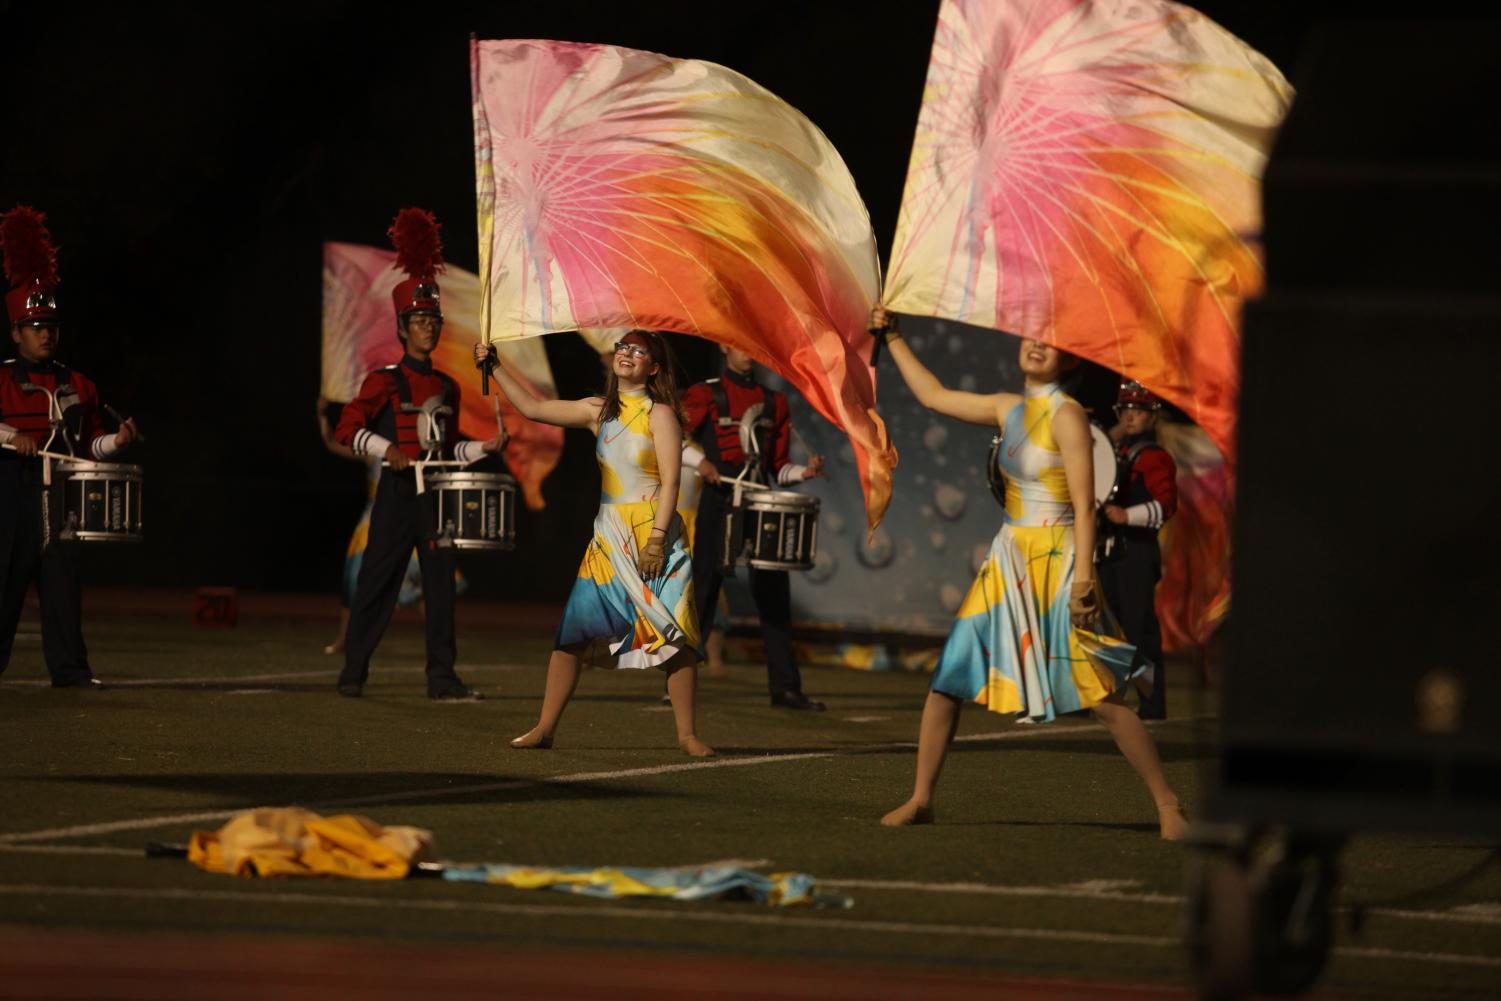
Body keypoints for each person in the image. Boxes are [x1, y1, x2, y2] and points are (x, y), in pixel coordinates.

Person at [870, 307, 1187, 839]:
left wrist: (1084, 578)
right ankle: (922, 799)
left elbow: (1085, 506)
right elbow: (933, 396)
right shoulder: (1007, 408)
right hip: (1008, 561)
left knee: (1102, 697)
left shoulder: (1068, 417)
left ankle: (1168, 803)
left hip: (1059, 562)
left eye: (1051, 343)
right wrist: (895, 337)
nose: (1036, 345)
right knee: (948, 680)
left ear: (1068, 361)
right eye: (1031, 337)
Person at [475, 329, 712, 756]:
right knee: (573, 633)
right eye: (623, 347)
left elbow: (673, 481)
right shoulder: (596, 411)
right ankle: (545, 729)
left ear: (653, 368)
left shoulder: (660, 414)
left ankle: (687, 735)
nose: (627, 354)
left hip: (655, 532)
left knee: (674, 635)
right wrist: (494, 365)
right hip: (609, 535)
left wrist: (657, 541)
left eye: (639, 351)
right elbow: (530, 407)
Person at [332, 208, 503, 700]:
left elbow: (447, 448)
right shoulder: (383, 380)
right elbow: (348, 427)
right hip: (396, 494)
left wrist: (482, 449)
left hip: (437, 499)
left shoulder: (448, 386)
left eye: (433, 320)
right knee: (376, 584)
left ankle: (442, 678)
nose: (428, 327)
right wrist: (388, 452)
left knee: (442, 592)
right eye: (420, 320)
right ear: (403, 327)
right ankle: (353, 673)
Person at [0, 206, 138, 689]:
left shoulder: (79, 383)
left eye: (50, 327)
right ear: (16, 332)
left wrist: (115, 443)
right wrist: (9, 437)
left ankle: (71, 671)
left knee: (62, 585)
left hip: (58, 496)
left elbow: (88, 446)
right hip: (10, 494)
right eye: (35, 328)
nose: (45, 334)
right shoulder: (0, 379)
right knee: (5, 583)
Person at [682, 346, 827, 710]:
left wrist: (804, 473)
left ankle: (785, 688)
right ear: (724, 346)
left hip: (761, 499)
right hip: (719, 497)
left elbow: (778, 467)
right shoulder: (705, 393)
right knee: (703, 591)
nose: (748, 353)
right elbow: (672, 436)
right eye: (739, 346)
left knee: (774, 593)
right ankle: (678, 683)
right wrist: (701, 463)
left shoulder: (774, 401)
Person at [317, 398, 481, 656]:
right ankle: (344, 640)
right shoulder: (373, 451)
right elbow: (331, 442)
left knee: (427, 583)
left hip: (406, 518)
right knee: (354, 583)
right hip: (372, 522)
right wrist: (322, 414)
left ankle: (440, 640)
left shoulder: (416, 449)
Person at [1098, 380, 1178, 720]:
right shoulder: (1115, 451)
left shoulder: (1156, 458)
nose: (1131, 417)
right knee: (1110, 629)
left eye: (1139, 411)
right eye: (1126, 410)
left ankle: (1151, 703)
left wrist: (1126, 515)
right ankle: (1110, 698)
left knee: (1138, 630)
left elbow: (1166, 506)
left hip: (1137, 553)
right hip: (1110, 551)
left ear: (1152, 417)